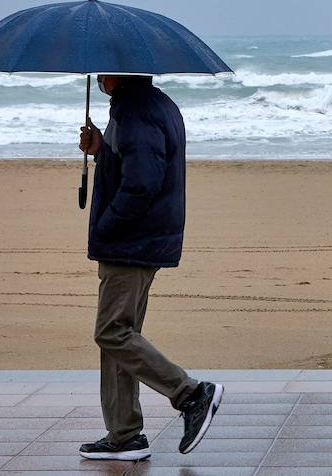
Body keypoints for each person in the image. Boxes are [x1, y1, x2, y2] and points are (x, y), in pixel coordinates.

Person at [75, 73, 222, 461]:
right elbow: (134, 163)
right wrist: (102, 150)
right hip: (138, 239)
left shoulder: (136, 111)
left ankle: (191, 394)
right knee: (123, 334)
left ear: (118, 73)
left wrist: (109, 224)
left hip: (130, 241)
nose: (100, 76)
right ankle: (124, 434)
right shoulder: (149, 105)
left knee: (111, 332)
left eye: (104, 69)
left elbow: (142, 182)